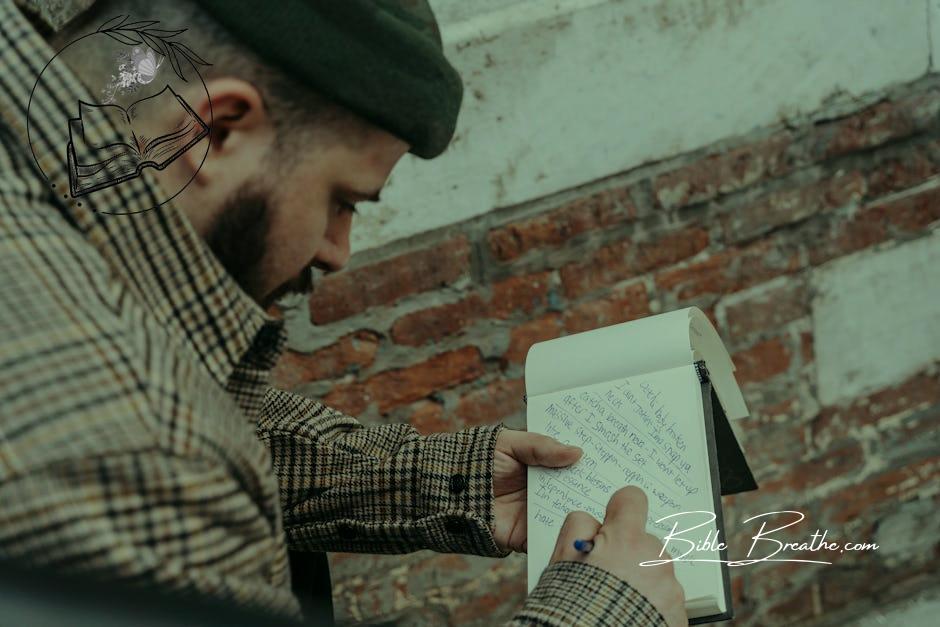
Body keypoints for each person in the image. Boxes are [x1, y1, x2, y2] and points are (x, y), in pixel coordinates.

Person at [0, 0, 687, 625]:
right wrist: (606, 611)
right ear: (215, 130)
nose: (337, 250)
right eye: (342, 199)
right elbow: (151, 452)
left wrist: (434, 481)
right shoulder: (140, 449)